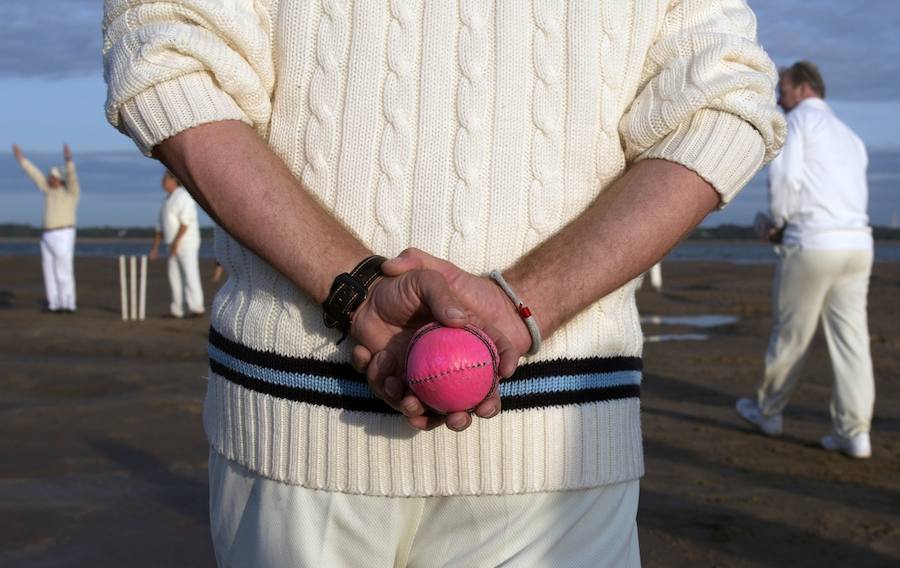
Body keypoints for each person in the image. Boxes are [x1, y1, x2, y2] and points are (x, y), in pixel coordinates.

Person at [103, 1, 784, 565]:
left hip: (510, 438)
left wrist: (367, 290)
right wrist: (517, 307)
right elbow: (721, 106)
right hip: (324, 423)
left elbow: (168, 56)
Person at [736, 61, 875, 459]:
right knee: (852, 340)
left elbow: (784, 178)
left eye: (782, 88)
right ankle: (855, 432)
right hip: (858, 246)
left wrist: (777, 223)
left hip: (812, 244)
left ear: (802, 87)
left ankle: (768, 412)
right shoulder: (851, 137)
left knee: (791, 334)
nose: (778, 96)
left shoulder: (797, 124)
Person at [13, 143, 80, 313]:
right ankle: (54, 303)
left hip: (64, 233)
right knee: (49, 271)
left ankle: (68, 304)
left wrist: (68, 160)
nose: (50, 178)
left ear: (60, 178)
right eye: (50, 176)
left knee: (63, 271)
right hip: (47, 235)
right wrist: (22, 159)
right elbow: (35, 175)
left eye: (54, 176)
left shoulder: (70, 193)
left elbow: (72, 177)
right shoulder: (48, 190)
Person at [150, 170, 205, 318]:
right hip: (171, 242)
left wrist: (176, 243)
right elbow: (160, 227)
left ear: (173, 180)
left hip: (186, 241)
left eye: (165, 179)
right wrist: (155, 248)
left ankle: (196, 307)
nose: (163, 182)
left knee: (190, 273)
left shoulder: (184, 196)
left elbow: (185, 223)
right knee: (174, 276)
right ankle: (177, 309)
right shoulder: (166, 199)